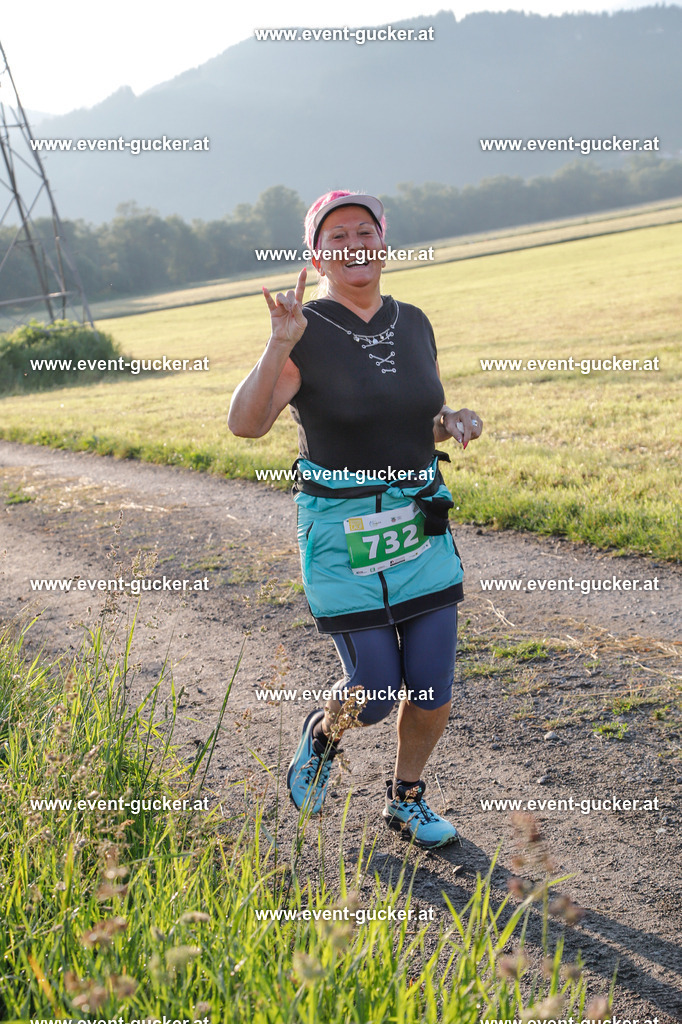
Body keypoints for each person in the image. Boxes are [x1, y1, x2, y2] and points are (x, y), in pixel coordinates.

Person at [228, 190, 482, 848]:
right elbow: (246, 424)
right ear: (317, 256)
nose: (352, 244)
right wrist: (278, 342)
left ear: (383, 245)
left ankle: (406, 801)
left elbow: (407, 414)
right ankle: (322, 736)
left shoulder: (415, 320)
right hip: (344, 536)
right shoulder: (304, 331)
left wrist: (449, 424)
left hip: (420, 526)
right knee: (372, 693)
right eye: (335, 237)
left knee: (430, 691)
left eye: (363, 232)